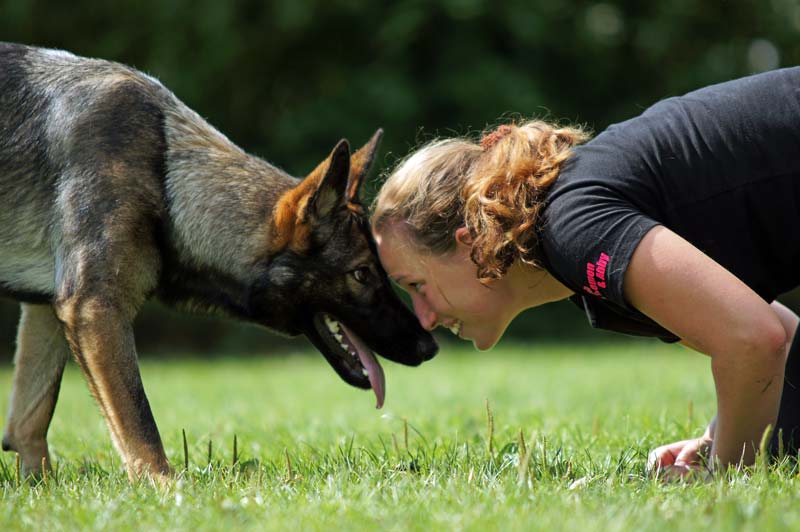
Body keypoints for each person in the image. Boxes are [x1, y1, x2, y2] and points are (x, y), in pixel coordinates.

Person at [370, 67, 800, 477]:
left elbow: (754, 340)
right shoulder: (569, 264)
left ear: (470, 244)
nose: (423, 318)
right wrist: (717, 437)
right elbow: (776, 340)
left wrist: (724, 475)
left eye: (417, 285)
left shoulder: (572, 228)